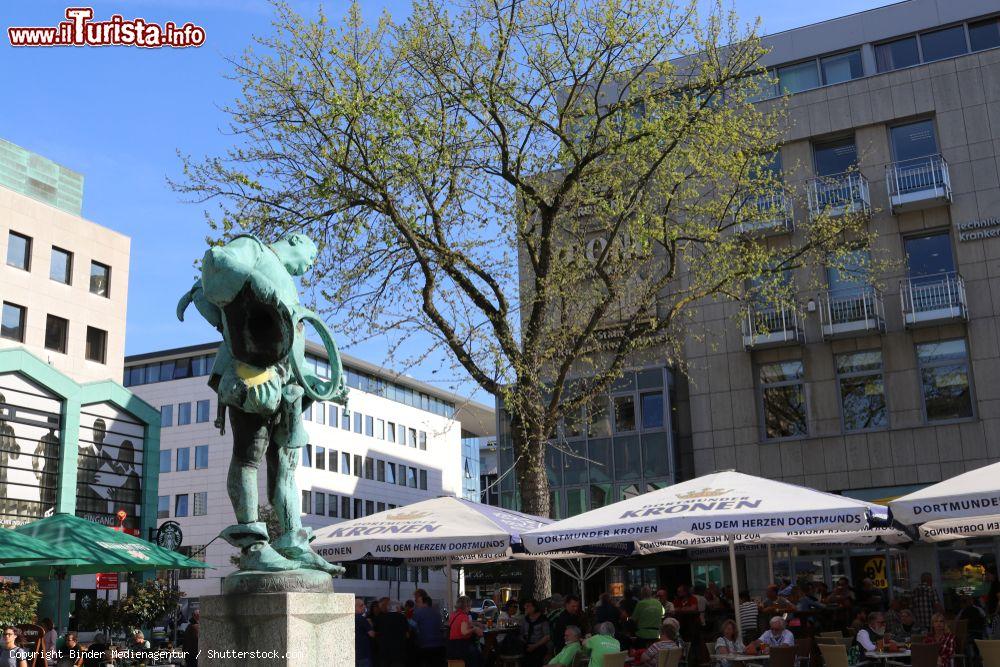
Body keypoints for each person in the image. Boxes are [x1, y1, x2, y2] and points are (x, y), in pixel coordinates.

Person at [449, 596, 483, 667]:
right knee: (479, 656)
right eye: (470, 606)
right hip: (461, 647)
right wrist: (474, 629)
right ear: (466, 606)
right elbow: (464, 632)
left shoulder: (454, 614)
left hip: (452, 647)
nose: (470, 608)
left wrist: (475, 623)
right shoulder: (464, 616)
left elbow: (461, 624)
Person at [413, 592, 445, 667]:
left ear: (425, 603)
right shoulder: (437, 613)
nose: (417, 604)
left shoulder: (419, 612)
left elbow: (412, 626)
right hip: (439, 645)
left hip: (424, 644)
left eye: (418, 602)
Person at [375, 600, 410, 667]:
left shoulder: (381, 618)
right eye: (400, 607)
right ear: (397, 607)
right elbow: (407, 635)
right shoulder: (402, 617)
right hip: (398, 652)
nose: (401, 609)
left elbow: (376, 632)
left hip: (384, 651)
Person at [521, 599, 551, 667]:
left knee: (536, 659)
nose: (526, 608)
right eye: (525, 606)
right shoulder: (526, 619)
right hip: (527, 645)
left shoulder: (542, 619)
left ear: (534, 607)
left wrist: (534, 646)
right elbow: (522, 633)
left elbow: (547, 636)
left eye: (528, 606)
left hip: (539, 645)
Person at [356, 598, 375, 667]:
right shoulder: (362, 619)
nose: (364, 607)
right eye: (361, 605)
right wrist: (370, 624)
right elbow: (372, 634)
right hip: (363, 653)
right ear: (355, 607)